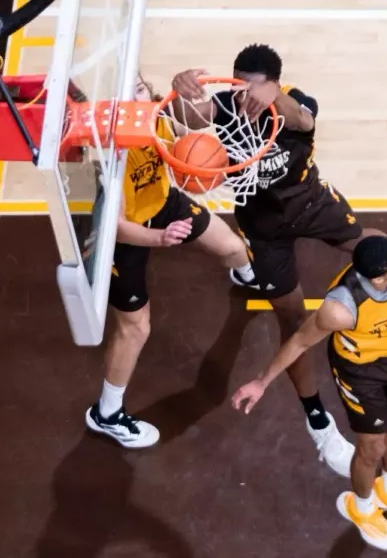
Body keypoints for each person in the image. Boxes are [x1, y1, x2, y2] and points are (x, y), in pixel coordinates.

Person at [171, 44, 387, 478]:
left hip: (310, 201)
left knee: (363, 243)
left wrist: (274, 95)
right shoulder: (225, 104)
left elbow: (302, 118)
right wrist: (178, 92)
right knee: (292, 319)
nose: (245, 94)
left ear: (274, 82)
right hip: (263, 227)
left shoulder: (297, 102)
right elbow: (191, 119)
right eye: (239, 83)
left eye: (253, 86)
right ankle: (318, 422)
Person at [85, 76, 260, 449]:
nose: (134, 94)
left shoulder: (158, 117)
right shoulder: (111, 152)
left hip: (164, 205)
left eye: (138, 86)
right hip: (125, 234)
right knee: (135, 329)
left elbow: (190, 123)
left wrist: (185, 90)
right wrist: (159, 239)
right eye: (124, 89)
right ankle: (107, 414)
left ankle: (247, 277)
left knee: (233, 248)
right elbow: (115, 227)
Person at [231, 235, 387, 551]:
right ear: (378, 278)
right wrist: (261, 381)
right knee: (371, 446)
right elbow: (299, 341)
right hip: (361, 372)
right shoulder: (341, 308)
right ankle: (362, 508)